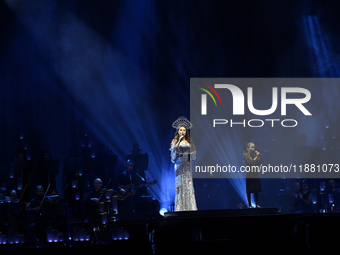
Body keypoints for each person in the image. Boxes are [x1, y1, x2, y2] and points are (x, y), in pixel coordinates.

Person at [170, 116, 197, 211]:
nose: (182, 132)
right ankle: (180, 208)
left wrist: (192, 154)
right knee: (180, 184)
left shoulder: (189, 141)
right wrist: (179, 142)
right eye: (181, 130)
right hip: (179, 164)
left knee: (188, 184)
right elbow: (173, 154)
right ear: (178, 131)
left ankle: (189, 208)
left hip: (187, 164)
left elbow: (193, 153)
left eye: (184, 130)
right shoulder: (175, 141)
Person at [82, 178, 104, 243]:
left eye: (100, 183)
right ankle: (92, 239)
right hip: (92, 214)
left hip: (102, 214)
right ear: (94, 184)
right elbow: (83, 201)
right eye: (97, 183)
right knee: (86, 223)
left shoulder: (103, 193)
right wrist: (92, 199)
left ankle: (102, 239)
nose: (99, 185)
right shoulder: (91, 194)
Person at [243, 142, 262, 208]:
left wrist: (258, 157)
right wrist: (256, 157)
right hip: (250, 174)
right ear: (248, 148)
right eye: (252, 147)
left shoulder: (254, 155)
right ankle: (250, 204)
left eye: (254, 147)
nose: (253, 149)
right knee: (249, 190)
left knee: (256, 189)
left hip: (255, 173)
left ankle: (257, 204)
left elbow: (258, 163)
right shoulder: (246, 156)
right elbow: (250, 163)